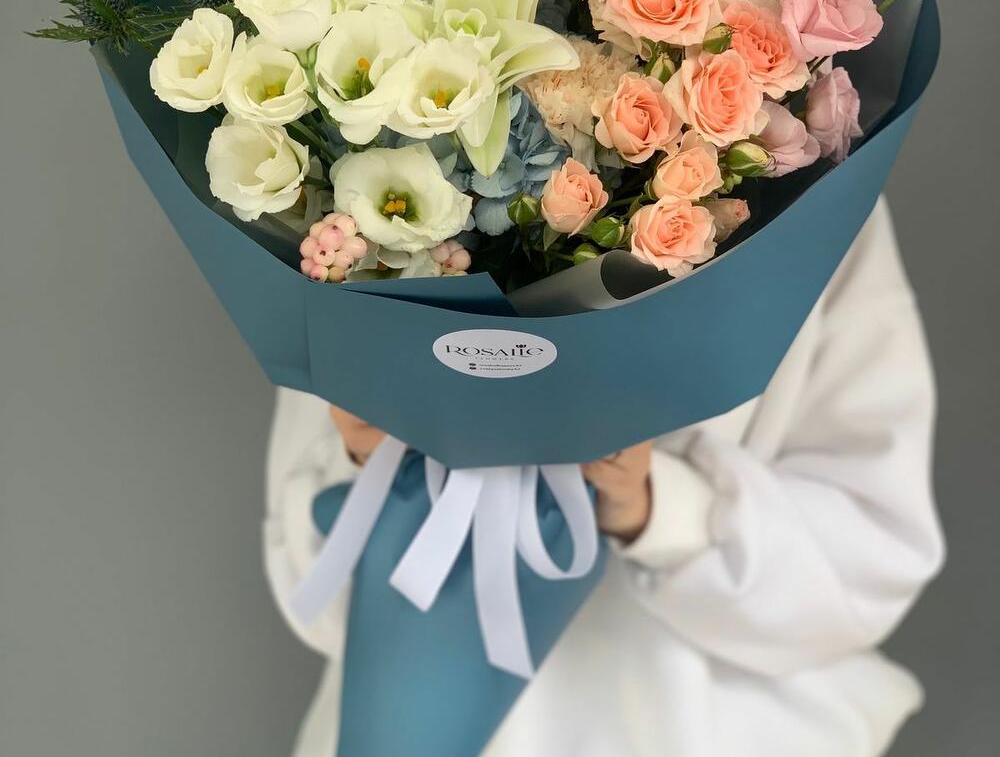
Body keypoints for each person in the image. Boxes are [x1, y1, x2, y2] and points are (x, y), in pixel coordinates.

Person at [264, 198, 944, 757]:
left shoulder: (814, 198)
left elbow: (873, 554)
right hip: (413, 715)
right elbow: (307, 586)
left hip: (708, 727)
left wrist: (656, 506)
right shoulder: (361, 206)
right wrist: (368, 459)